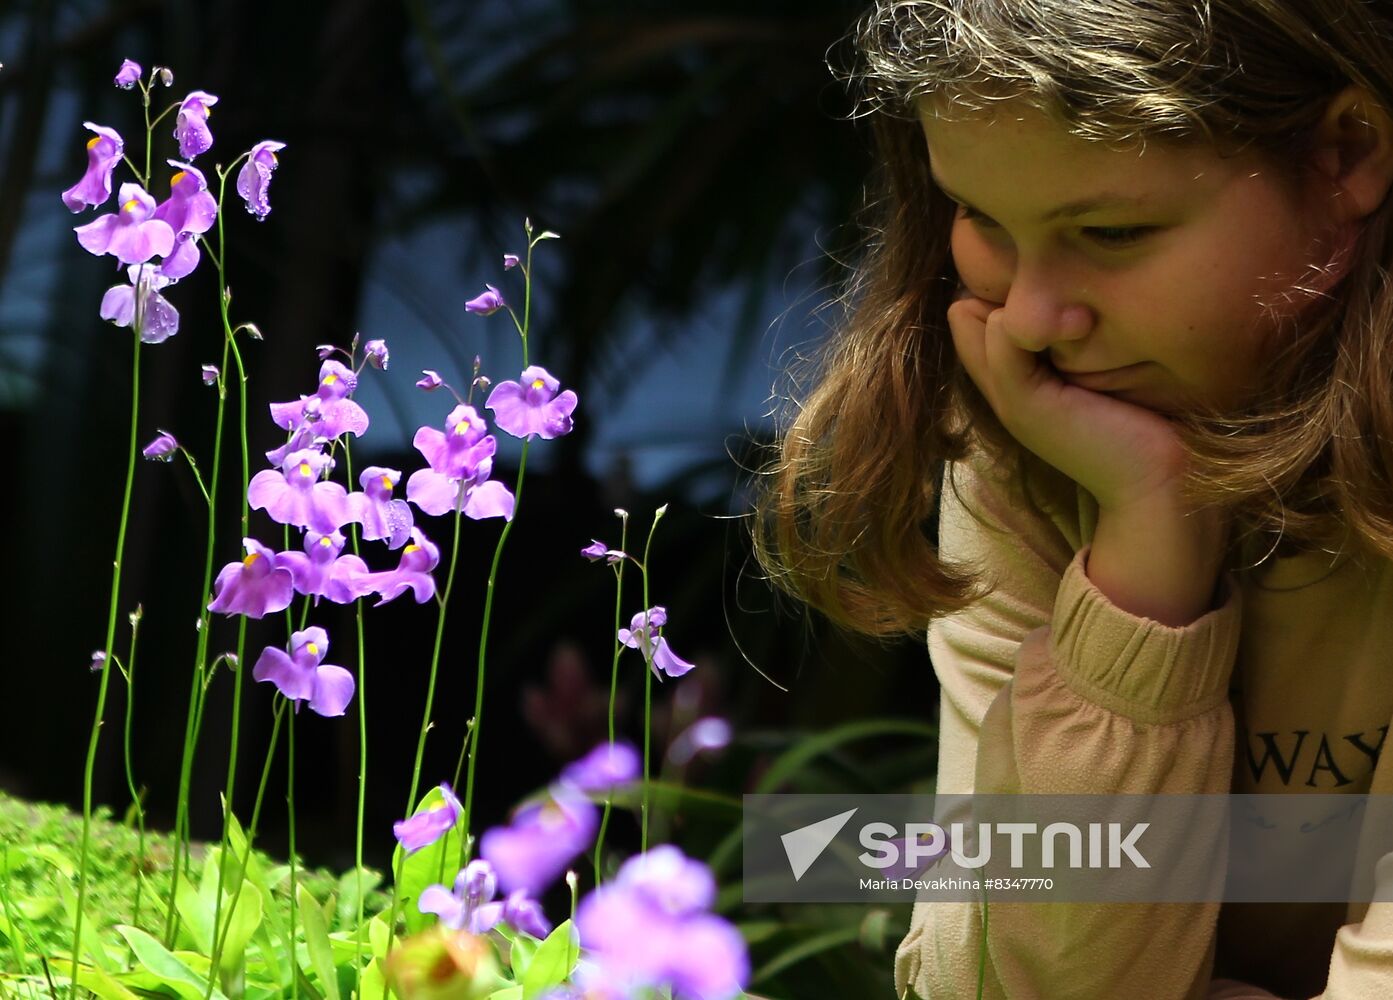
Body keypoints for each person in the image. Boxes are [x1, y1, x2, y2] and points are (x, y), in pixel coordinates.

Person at [751, 1, 1393, 996]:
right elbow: (995, 982)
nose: (1033, 317)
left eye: (1111, 230)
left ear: (1347, 153)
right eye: (982, 220)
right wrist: (1146, 542)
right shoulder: (1049, 437)